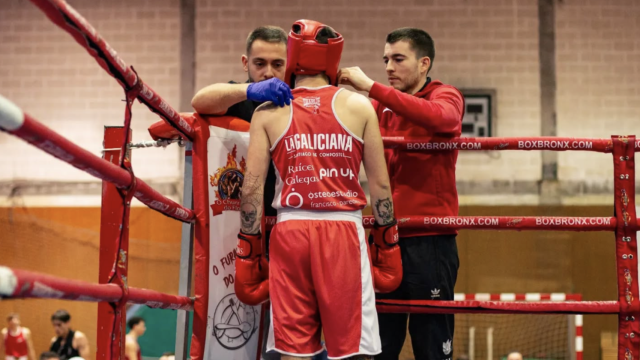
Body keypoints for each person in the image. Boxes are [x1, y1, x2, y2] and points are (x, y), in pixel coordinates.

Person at [234, 19, 402, 360]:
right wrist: (387, 239)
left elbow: (251, 188)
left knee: (294, 350)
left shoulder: (268, 112)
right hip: (342, 231)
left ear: (293, 58)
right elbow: (381, 184)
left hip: (289, 231)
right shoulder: (360, 106)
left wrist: (249, 247)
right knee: (354, 350)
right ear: (333, 58)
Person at [338, 28, 465, 360]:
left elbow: (444, 118)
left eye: (398, 59)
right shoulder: (381, 105)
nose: (389, 67)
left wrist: (370, 87)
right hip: (385, 235)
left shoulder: (445, 94)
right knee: (378, 345)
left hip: (430, 238)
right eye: (385, 60)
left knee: (431, 347)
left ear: (424, 64)